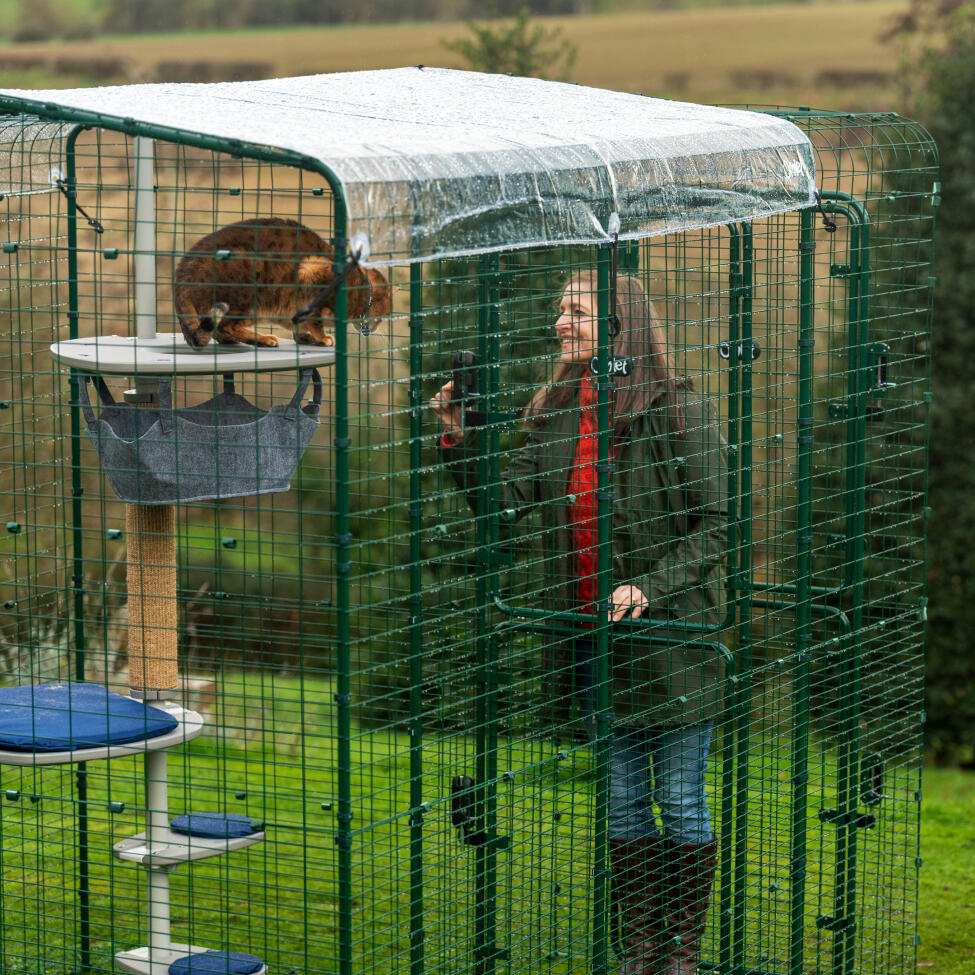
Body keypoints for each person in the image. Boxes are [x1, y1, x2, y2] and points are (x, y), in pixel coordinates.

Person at [430, 272, 728, 975]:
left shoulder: (676, 407)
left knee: (679, 800)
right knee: (623, 803)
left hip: (674, 642)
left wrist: (649, 588)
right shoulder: (556, 408)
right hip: (591, 640)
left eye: (576, 311)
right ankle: (642, 945)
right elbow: (503, 504)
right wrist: (456, 439)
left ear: (620, 325)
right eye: (559, 309)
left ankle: (681, 950)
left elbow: (719, 524)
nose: (559, 323)